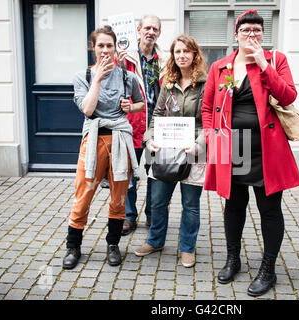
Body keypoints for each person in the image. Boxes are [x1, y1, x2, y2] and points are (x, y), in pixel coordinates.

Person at [201, 10, 299, 296]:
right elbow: (207, 108)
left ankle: (268, 269)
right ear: (236, 35)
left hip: (265, 148)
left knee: (269, 209)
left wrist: (264, 65)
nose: (252, 35)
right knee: (233, 206)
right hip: (228, 145)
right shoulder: (220, 66)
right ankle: (233, 259)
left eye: (257, 31)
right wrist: (210, 135)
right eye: (246, 31)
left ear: (263, 34)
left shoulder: (275, 60)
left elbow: (288, 96)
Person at [63, 25, 144, 270]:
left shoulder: (128, 77)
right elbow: (87, 109)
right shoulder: (83, 77)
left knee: (119, 198)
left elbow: (141, 104)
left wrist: (131, 107)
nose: (105, 50)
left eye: (110, 45)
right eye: (101, 45)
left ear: (116, 46)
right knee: (83, 195)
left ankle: (113, 244)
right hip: (94, 140)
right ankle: (73, 246)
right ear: (93, 48)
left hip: (119, 139)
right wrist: (98, 78)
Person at [134, 34, 207, 268]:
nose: (182, 55)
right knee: (156, 201)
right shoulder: (168, 83)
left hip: (194, 149)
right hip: (165, 149)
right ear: (173, 56)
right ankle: (155, 241)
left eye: (187, 51)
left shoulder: (206, 84)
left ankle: (187, 247)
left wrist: (199, 144)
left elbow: (209, 120)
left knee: (190, 204)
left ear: (194, 54)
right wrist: (149, 139)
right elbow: (156, 115)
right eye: (177, 52)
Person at [117, 15, 167, 235]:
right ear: (138, 30)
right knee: (129, 172)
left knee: (155, 172)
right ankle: (129, 216)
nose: (151, 32)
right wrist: (117, 63)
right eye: (147, 28)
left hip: (157, 124)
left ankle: (151, 214)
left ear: (159, 33)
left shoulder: (163, 58)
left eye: (155, 29)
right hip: (132, 122)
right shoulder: (126, 56)